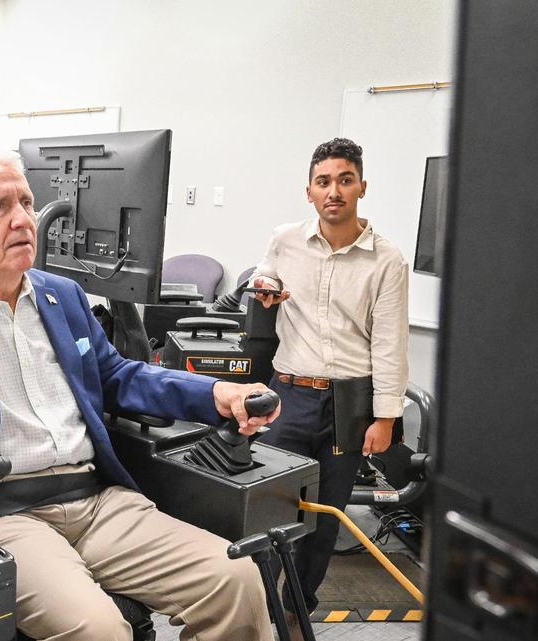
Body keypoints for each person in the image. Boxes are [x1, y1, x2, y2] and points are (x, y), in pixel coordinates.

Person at [0, 148, 277, 641]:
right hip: (3, 513)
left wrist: (215, 392)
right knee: (99, 630)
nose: (23, 220)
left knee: (237, 580)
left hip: (96, 499)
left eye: (26, 203)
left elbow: (119, 376)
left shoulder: (64, 294)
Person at [250, 137, 409, 636]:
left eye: (344, 180)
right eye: (324, 182)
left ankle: (299, 611)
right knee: (266, 513)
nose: (333, 191)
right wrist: (265, 287)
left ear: (362, 186)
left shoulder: (387, 260)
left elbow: (389, 344)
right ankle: (254, 611)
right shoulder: (286, 238)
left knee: (323, 519)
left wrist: (385, 418)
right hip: (289, 394)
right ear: (309, 191)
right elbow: (263, 274)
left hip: (349, 403)